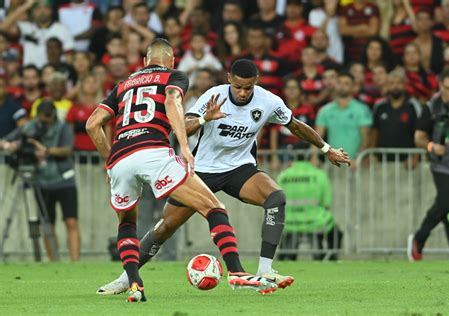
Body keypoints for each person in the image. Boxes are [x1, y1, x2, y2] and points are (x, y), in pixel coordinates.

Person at [96, 58, 350, 296]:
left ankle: (264, 271)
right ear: (229, 79)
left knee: (276, 198)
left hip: (240, 168)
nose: (242, 92)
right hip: (203, 170)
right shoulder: (213, 96)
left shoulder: (268, 101)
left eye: (248, 88)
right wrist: (206, 117)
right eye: (238, 87)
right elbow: (182, 126)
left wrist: (327, 149)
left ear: (256, 82)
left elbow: (294, 125)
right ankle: (125, 278)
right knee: (166, 227)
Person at [86, 40, 279, 302]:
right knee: (214, 209)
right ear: (173, 60)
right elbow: (172, 100)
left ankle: (133, 284)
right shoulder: (173, 76)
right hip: (154, 151)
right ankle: (236, 272)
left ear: (145, 61)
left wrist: (110, 161)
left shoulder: (123, 84)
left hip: (121, 158)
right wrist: (185, 147)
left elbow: (93, 124)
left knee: (128, 223)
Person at [408, 66, 449, 261]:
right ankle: (420, 238)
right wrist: (431, 147)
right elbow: (418, 138)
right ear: (440, 85)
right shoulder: (431, 108)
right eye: (448, 88)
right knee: (444, 204)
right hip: (442, 166)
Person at [0, 101, 80, 262]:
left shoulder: (63, 127)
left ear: (53, 114)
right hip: (42, 181)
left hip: (64, 181)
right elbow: (6, 141)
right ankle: (54, 261)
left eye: (48, 116)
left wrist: (47, 150)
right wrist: (9, 145)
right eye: (43, 117)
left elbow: (67, 149)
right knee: (47, 224)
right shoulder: (29, 127)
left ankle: (75, 261)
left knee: (71, 221)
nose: (46, 120)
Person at [277, 146, 343, 261]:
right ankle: (332, 258)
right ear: (310, 156)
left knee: (285, 238)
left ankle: (285, 257)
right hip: (316, 221)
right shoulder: (319, 174)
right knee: (337, 232)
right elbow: (326, 203)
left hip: (289, 221)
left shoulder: (283, 176)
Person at [316, 72, 372, 165]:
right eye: (339, 83)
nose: (342, 86)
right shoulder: (325, 110)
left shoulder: (361, 109)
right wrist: (314, 156)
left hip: (355, 164)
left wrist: (358, 158)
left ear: (353, 87)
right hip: (332, 163)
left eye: (346, 83)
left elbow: (366, 138)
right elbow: (317, 137)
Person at [372, 69, 422, 165]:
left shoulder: (413, 106)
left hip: (407, 162)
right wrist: (371, 154)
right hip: (382, 161)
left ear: (405, 85)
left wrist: (415, 156)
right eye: (392, 83)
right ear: (387, 86)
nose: (395, 86)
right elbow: (374, 132)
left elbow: (420, 132)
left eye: (399, 83)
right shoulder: (379, 106)